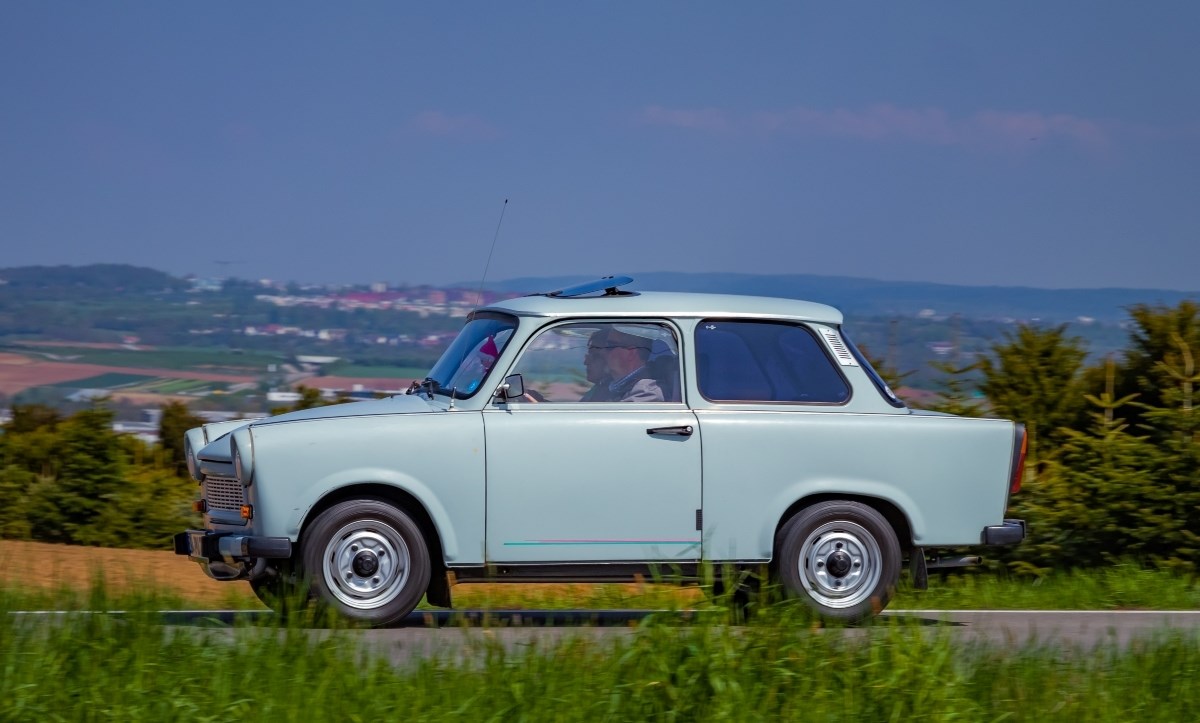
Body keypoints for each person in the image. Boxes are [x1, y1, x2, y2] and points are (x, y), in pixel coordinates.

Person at [580, 327, 664, 402]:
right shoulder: (608, 387)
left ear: (631, 352)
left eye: (610, 346)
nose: (603, 352)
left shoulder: (647, 392)